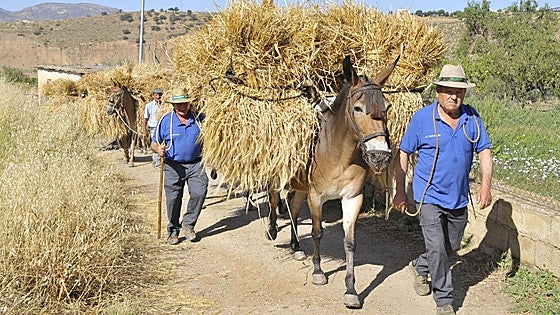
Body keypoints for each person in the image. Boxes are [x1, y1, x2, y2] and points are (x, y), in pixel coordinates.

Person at [393, 64, 493, 315]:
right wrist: (400, 190)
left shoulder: (473, 119)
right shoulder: (423, 119)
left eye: (459, 92)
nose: (454, 96)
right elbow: (403, 153)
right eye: (448, 91)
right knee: (438, 246)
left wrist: (485, 185)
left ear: (465, 94)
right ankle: (444, 300)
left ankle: (420, 266)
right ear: (438, 91)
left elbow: (485, 151)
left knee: (450, 247)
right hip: (428, 196)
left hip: (458, 197)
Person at [151, 87, 208, 245]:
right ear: (173, 105)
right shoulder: (166, 121)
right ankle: (173, 231)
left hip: (196, 164)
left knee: (199, 192)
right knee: (173, 199)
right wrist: (158, 149)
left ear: (189, 103)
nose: (182, 107)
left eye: (184, 104)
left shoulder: (199, 119)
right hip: (172, 166)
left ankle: (188, 225)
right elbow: (154, 143)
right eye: (178, 104)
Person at [143, 88, 163, 168]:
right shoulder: (149, 106)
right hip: (153, 128)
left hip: (162, 127)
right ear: (153, 96)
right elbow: (145, 118)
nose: (158, 97)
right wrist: (144, 130)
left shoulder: (165, 105)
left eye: (159, 95)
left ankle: (161, 162)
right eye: (156, 95)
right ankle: (157, 163)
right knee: (155, 144)